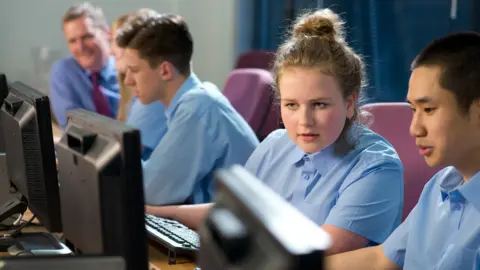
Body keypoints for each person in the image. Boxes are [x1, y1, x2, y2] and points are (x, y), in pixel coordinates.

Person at [145, 8, 404, 256]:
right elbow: (233, 212)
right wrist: (156, 213)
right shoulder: (275, 144)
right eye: (291, 105)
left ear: (349, 103)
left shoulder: (377, 167)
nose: (304, 121)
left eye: (320, 104)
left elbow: (318, 255)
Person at [326, 32, 480, 269]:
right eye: (413, 110)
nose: (414, 129)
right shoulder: (439, 186)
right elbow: (382, 259)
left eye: (428, 110)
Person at [116, 10, 259, 205]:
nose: (128, 81)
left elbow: (150, 191)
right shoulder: (195, 100)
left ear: (165, 70)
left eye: (134, 70)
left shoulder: (197, 108)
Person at [50, 2, 119, 128]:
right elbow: (72, 128)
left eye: (87, 37)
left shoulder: (129, 71)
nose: (80, 47)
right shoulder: (64, 71)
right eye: (72, 41)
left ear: (107, 33)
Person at [111, 11, 168, 159]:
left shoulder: (152, 99)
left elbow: (127, 159)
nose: (112, 48)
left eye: (118, 40)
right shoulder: (134, 96)